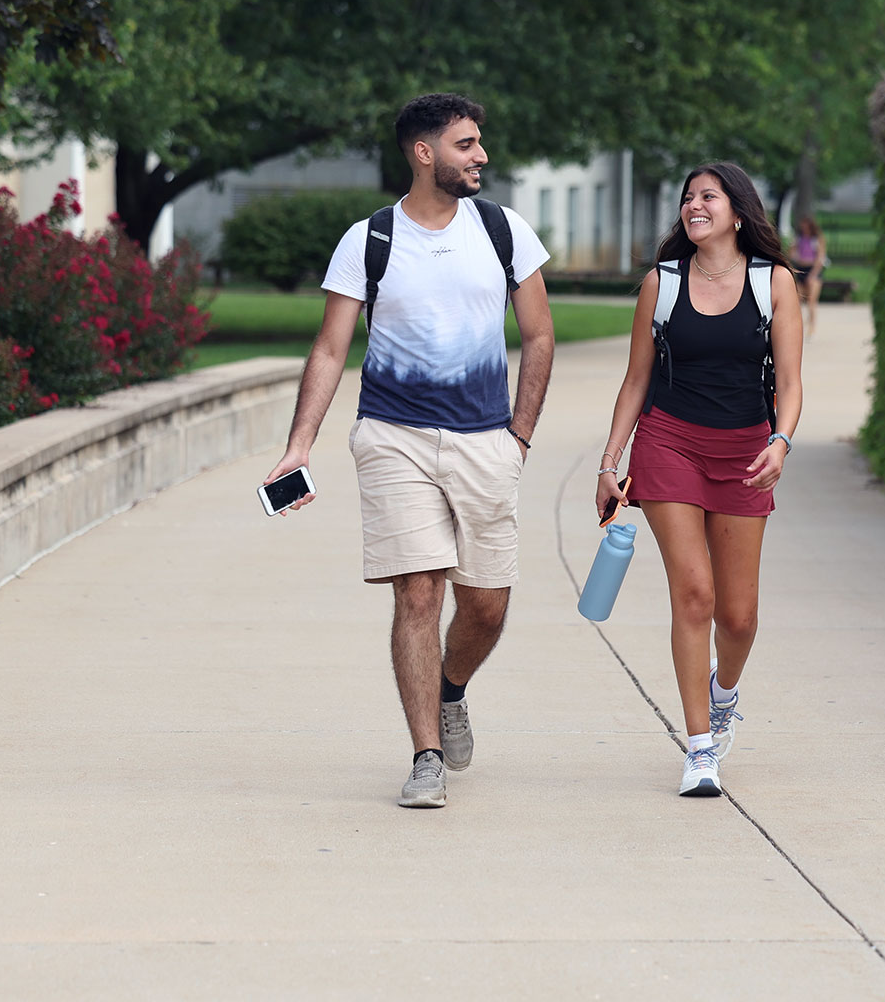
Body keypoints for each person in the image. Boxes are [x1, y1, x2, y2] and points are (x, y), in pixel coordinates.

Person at [264, 93, 555, 808]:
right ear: (424, 154)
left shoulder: (502, 230)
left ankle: (452, 688)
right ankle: (425, 755)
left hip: (486, 439)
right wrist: (299, 446)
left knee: (485, 606)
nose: (480, 155)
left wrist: (519, 436)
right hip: (393, 438)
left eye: (479, 142)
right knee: (418, 593)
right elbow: (332, 349)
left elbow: (540, 337)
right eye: (466, 144)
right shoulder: (369, 240)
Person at [594, 162, 804, 796]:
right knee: (694, 594)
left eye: (707, 196)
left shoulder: (775, 284)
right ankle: (699, 748)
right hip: (670, 443)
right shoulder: (661, 284)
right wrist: (611, 462)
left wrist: (780, 441)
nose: (694, 206)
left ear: (737, 211)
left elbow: (791, 385)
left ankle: (723, 694)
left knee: (738, 617)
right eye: (688, 198)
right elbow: (635, 381)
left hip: (746, 452)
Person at [791, 214, 827, 337]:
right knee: (798, 300)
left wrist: (813, 274)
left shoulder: (817, 239)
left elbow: (820, 258)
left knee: (812, 301)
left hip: (813, 269)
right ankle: (797, 325)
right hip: (801, 268)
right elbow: (791, 253)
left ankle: (812, 327)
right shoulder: (799, 238)